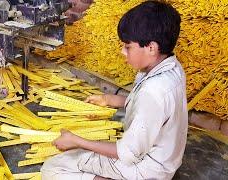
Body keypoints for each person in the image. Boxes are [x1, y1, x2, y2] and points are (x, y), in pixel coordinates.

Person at [41, 0, 188, 179]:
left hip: (147, 169)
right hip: (166, 160)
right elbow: (154, 111)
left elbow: (127, 153)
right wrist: (112, 100)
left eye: (128, 47)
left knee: (53, 168)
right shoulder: (171, 67)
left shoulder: (154, 92)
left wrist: (77, 141)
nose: (122, 52)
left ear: (151, 48)